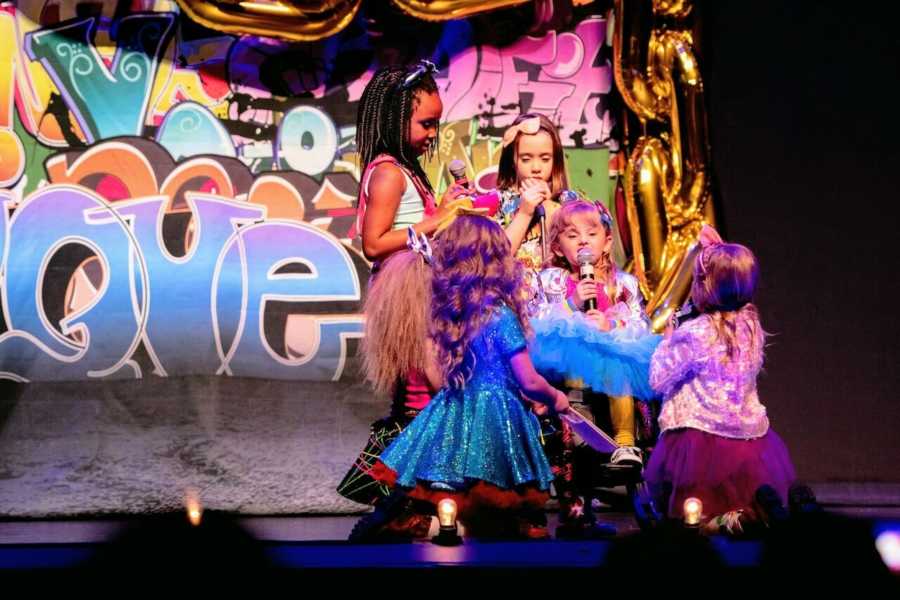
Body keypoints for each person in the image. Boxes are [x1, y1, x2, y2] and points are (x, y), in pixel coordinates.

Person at [351, 215, 569, 540]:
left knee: (451, 490)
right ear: (499, 262)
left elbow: (439, 377)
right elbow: (528, 380)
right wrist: (553, 396)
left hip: (454, 407)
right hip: (497, 418)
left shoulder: (449, 315)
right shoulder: (501, 315)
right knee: (496, 498)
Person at [644, 226, 796, 531]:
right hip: (747, 441)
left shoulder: (695, 333)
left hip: (698, 439)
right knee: (734, 495)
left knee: (692, 513)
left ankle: (725, 523)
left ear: (705, 285)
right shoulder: (750, 325)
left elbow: (658, 378)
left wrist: (668, 338)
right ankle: (743, 518)